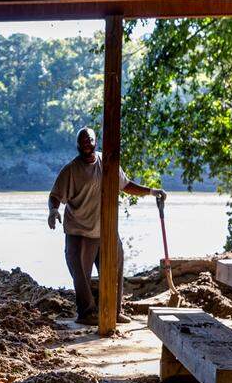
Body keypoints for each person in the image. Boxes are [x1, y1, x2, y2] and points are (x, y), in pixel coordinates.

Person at [48, 127, 166, 325]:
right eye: (82, 141)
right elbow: (55, 196)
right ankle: (87, 313)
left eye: (90, 140)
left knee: (114, 268)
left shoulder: (107, 163)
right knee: (80, 274)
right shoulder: (71, 170)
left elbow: (126, 185)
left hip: (105, 229)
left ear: (96, 142)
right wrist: (53, 211)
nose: (86, 144)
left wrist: (152, 191)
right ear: (77, 145)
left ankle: (113, 310)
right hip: (79, 230)